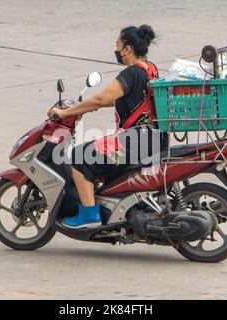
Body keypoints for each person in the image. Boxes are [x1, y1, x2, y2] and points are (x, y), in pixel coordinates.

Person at [48, 24, 166, 229]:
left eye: (117, 44)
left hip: (135, 142)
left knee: (79, 156)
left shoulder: (132, 73)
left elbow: (101, 98)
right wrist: (86, 108)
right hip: (154, 139)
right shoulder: (151, 68)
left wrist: (66, 112)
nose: (116, 49)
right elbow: (128, 98)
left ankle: (88, 215)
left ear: (127, 49)